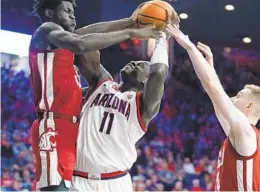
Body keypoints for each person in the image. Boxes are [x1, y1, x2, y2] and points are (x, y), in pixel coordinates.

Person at [29, 0, 159, 190]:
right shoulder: (47, 30)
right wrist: (131, 33)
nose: (73, 15)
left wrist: (129, 22)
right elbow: (81, 43)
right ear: (49, 13)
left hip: (69, 127)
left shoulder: (61, 41)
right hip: (52, 124)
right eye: (66, 10)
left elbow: (87, 34)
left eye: (73, 11)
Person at [70, 31, 171, 191]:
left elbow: (158, 73)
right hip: (77, 179)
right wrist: (127, 29)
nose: (134, 63)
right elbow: (81, 45)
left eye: (141, 65)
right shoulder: (103, 84)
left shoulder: (142, 106)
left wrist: (160, 40)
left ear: (146, 81)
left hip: (114, 182)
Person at [166, 24, 260, 191]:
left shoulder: (245, 131)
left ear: (249, 105)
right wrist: (209, 67)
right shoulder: (242, 134)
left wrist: (188, 46)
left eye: (238, 96)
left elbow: (213, 88)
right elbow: (216, 101)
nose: (231, 98)